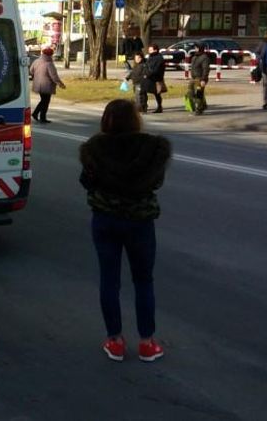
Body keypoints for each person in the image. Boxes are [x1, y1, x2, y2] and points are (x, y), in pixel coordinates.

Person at [79, 99, 171, 363]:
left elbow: (86, 181)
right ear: (135, 119)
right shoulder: (152, 148)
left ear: (106, 120)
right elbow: (156, 182)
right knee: (143, 281)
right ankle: (147, 343)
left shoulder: (94, 149)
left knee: (109, 280)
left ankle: (115, 341)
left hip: (105, 220)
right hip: (140, 222)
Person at [29, 47, 66, 124]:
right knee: (45, 101)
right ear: (50, 55)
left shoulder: (36, 61)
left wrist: (35, 76)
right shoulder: (49, 64)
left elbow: (31, 71)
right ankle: (42, 117)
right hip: (46, 85)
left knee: (43, 100)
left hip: (38, 85)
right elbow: (54, 76)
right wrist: (60, 84)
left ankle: (35, 114)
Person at [188, 45, 211, 115]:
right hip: (193, 78)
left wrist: (203, 79)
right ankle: (203, 105)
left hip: (200, 78)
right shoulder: (194, 57)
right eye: (195, 48)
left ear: (200, 48)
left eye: (196, 48)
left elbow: (206, 69)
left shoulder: (204, 58)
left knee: (198, 94)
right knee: (190, 93)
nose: (195, 49)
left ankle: (199, 109)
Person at [144, 45, 166, 113]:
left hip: (156, 78)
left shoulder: (159, 58)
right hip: (149, 78)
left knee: (157, 93)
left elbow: (156, 69)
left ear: (155, 50)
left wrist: (149, 74)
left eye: (151, 50)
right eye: (149, 50)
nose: (149, 51)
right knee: (144, 91)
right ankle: (144, 105)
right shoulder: (150, 57)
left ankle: (159, 106)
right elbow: (147, 66)